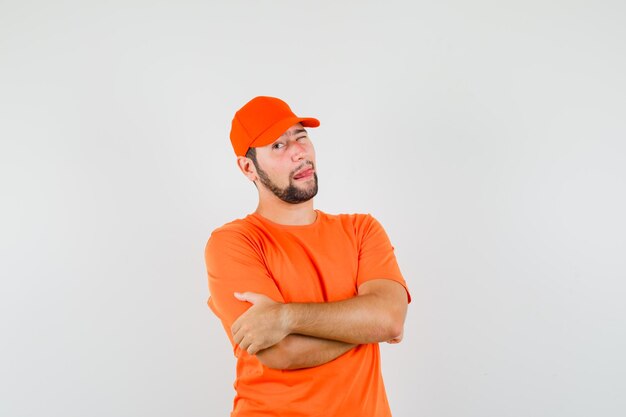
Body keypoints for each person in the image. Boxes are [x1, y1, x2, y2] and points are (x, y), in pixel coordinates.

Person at [204, 96, 411, 417]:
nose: (298, 151)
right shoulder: (234, 242)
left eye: (301, 137)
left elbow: (389, 319)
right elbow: (282, 353)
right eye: (278, 146)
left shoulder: (362, 230)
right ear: (248, 167)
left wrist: (286, 317)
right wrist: (368, 327)